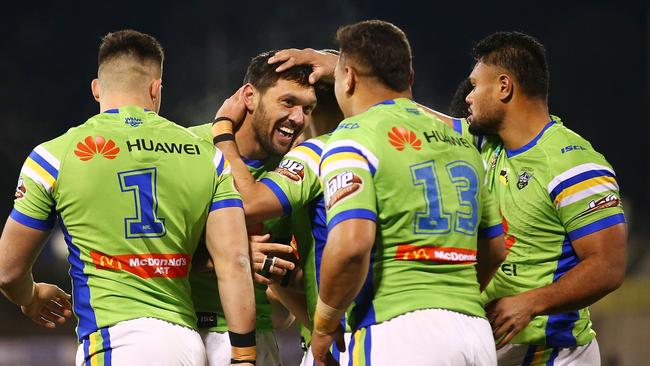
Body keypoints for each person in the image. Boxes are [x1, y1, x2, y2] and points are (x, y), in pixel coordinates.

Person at [219, 20, 506, 365]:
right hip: (473, 330)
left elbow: (350, 245)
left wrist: (222, 132)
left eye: (306, 108)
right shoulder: (459, 141)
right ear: (409, 76)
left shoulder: (345, 142)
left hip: (394, 327)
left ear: (349, 79)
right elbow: (495, 248)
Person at [0, 29, 256, 366]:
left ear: (96, 89)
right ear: (155, 88)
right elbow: (235, 263)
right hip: (188, 344)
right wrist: (244, 357)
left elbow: (8, 270)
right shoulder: (208, 157)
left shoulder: (54, 157)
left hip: (116, 342)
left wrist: (31, 296)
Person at [463, 31, 628, 365]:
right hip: (498, 349)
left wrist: (532, 302)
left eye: (475, 85)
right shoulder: (486, 146)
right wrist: (347, 66)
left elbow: (608, 266)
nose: (468, 97)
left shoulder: (571, 162)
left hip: (556, 354)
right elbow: (420, 123)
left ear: (504, 86)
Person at [188, 50, 317, 366]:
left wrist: (278, 273)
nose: (299, 118)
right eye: (287, 102)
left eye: (308, 108)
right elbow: (149, 247)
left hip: (256, 339)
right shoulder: (188, 149)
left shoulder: (295, 171)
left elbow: (306, 276)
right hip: (183, 329)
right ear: (249, 96)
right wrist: (227, 253)